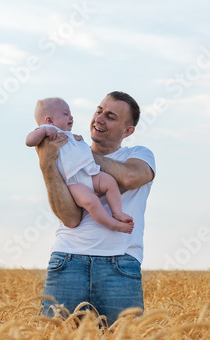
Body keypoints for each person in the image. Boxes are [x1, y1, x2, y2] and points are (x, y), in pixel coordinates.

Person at [35, 91, 156, 326]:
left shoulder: (139, 155)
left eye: (110, 116)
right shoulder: (62, 157)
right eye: (99, 111)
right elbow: (70, 218)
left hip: (119, 264)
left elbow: (131, 177)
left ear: (127, 131)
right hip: (67, 260)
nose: (99, 119)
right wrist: (46, 163)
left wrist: (79, 154)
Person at [26, 97, 134, 233]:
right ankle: (112, 224)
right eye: (66, 114)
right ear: (49, 120)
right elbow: (29, 141)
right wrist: (43, 131)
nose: (71, 117)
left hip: (89, 172)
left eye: (70, 114)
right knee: (91, 202)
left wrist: (77, 140)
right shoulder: (45, 131)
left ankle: (117, 212)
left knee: (110, 182)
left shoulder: (68, 135)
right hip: (73, 182)